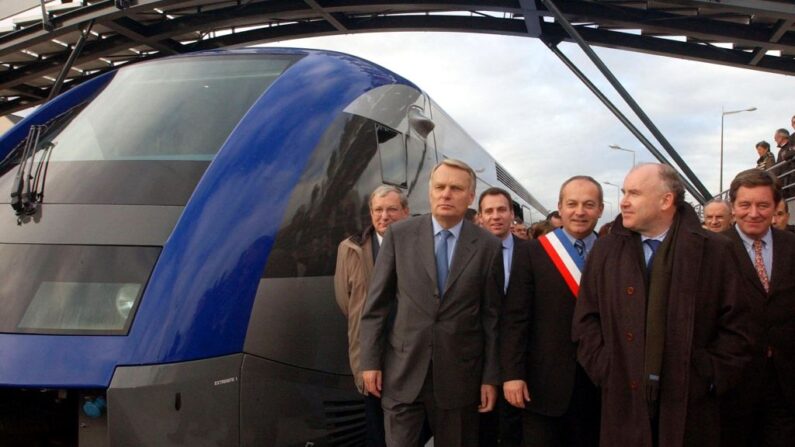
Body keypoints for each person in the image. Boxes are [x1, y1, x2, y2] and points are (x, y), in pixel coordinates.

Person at [572, 163, 752, 447]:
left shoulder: (715, 251)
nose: (624, 201)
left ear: (666, 200)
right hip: (623, 401)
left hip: (691, 405)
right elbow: (586, 320)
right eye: (624, 192)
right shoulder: (605, 251)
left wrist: (707, 376)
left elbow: (738, 327)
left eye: (635, 193)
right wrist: (606, 368)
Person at [359, 159, 503, 447]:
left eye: (455, 188)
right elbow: (376, 306)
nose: (446, 194)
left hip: (460, 378)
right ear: (430, 191)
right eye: (439, 187)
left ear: (470, 196)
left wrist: (490, 378)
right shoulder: (400, 235)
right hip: (402, 372)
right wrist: (370, 362)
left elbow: (492, 318)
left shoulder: (487, 246)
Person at [502, 176, 603, 447]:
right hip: (542, 386)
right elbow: (515, 317)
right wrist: (513, 373)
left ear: (601, 210)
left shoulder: (615, 253)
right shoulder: (533, 252)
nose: (579, 211)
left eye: (589, 204)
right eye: (572, 204)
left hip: (599, 385)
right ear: (560, 206)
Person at [720, 169, 795, 447]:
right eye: (745, 205)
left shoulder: (792, 246)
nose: (754, 213)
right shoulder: (712, 250)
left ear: (776, 207)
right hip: (732, 384)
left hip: (785, 383)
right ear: (733, 207)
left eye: (763, 205)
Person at [334, 185, 410, 447]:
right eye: (378, 210)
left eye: (391, 209)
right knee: (377, 426)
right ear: (370, 213)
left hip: (412, 353)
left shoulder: (419, 246)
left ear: (405, 212)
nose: (384, 216)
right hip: (371, 354)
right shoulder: (350, 248)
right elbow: (345, 300)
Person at [478, 187, 528, 447]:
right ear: (481, 216)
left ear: (512, 215)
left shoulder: (532, 253)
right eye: (489, 211)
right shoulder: (468, 253)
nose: (495, 216)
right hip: (478, 365)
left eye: (501, 210)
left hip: (520, 365)